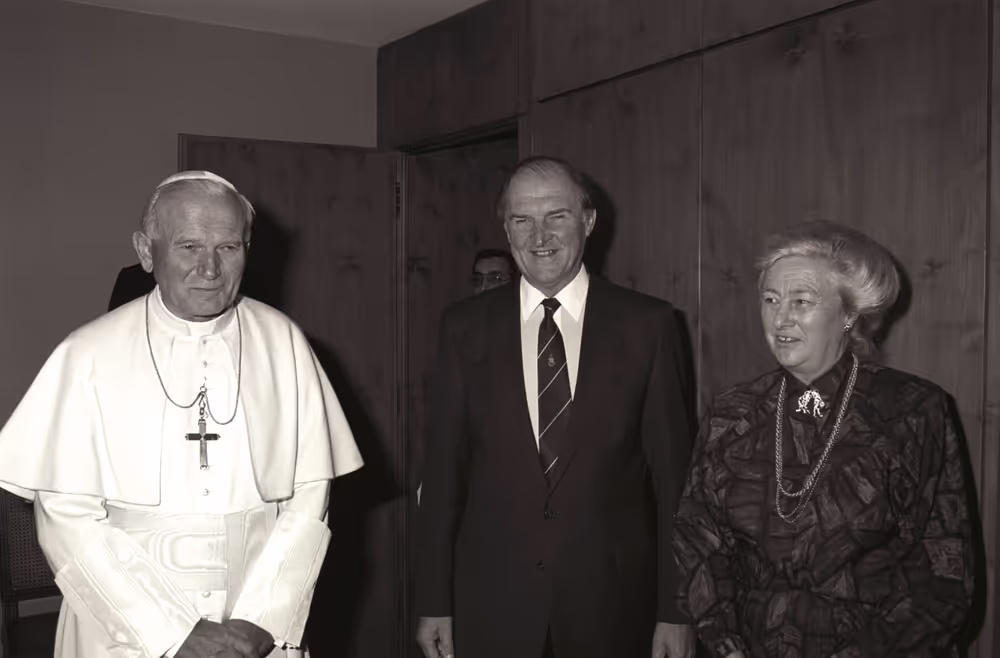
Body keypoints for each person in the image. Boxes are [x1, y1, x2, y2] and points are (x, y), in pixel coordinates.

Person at [0, 171, 364, 658]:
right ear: (147, 251)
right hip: (123, 630)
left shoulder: (284, 343)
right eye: (189, 246)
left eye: (228, 247)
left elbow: (308, 496)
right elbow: (66, 518)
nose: (209, 268)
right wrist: (172, 632)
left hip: (255, 625)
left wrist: (263, 619)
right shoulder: (87, 353)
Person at [414, 156, 696, 658]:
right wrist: (434, 600)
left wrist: (675, 610)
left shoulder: (649, 326)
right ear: (505, 227)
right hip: (492, 609)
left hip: (611, 610)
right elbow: (442, 479)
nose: (538, 235)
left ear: (588, 222)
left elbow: (675, 483)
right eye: (521, 219)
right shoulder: (463, 327)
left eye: (556, 216)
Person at [672, 221, 975, 658]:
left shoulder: (909, 409)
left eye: (802, 302)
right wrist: (725, 643)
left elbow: (943, 574)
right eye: (771, 300)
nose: (781, 319)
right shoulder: (732, 411)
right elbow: (698, 539)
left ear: (851, 313)